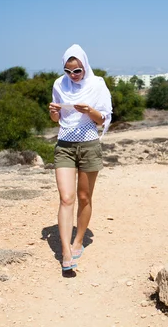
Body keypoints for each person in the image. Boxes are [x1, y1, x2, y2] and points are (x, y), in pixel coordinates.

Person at [48, 44, 113, 272]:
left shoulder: (98, 84)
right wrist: (54, 113)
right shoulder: (59, 84)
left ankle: (78, 241)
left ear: (85, 66)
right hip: (64, 145)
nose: (72, 76)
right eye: (68, 71)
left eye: (77, 71)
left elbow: (102, 119)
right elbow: (57, 119)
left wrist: (88, 110)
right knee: (66, 198)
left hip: (88, 145)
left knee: (84, 197)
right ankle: (65, 251)